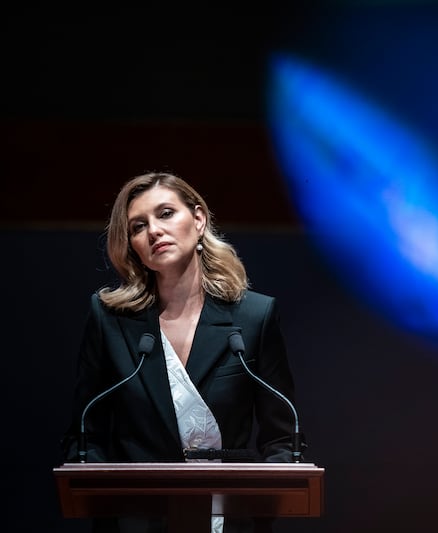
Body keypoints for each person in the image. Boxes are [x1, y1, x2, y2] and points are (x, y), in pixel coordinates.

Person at [61, 171, 304, 533]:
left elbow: (281, 436)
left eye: (165, 214)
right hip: (136, 522)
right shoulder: (110, 319)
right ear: (132, 246)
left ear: (199, 218)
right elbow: (85, 433)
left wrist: (257, 509)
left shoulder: (254, 317)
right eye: (138, 226)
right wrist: (112, 509)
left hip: (227, 519)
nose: (154, 231)